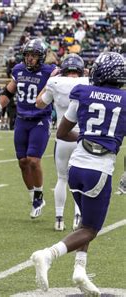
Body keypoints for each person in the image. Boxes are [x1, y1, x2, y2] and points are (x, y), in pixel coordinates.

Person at [31, 52, 125, 296]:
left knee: (85, 221)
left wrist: (86, 138)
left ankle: (80, 271)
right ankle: (48, 255)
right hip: (100, 169)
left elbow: (62, 132)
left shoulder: (83, 93)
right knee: (90, 229)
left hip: (76, 166)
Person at [0, 38, 56, 219]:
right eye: (27, 55)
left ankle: (39, 193)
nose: (29, 59)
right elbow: (8, 92)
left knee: (34, 160)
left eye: (34, 55)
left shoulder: (50, 72)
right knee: (22, 162)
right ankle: (33, 197)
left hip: (40, 120)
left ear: (41, 57)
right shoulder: (18, 69)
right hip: (21, 120)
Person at [35, 53, 88, 231]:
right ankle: (77, 217)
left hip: (63, 136)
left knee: (62, 178)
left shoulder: (55, 83)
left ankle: (59, 219)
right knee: (81, 180)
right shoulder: (88, 83)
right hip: (82, 137)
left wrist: (49, 80)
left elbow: (39, 104)